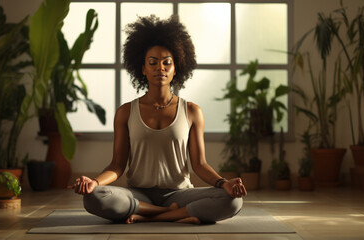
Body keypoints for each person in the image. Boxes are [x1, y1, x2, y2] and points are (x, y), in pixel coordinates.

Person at [71, 15, 247, 225]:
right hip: (138, 194)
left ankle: (150, 215)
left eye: (167, 63)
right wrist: (94, 182)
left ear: (176, 69)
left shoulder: (191, 111)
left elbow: (199, 164)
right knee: (93, 198)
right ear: (143, 68)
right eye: (152, 62)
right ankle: (174, 213)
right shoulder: (126, 112)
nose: (160, 67)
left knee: (233, 202)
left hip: (179, 194)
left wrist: (223, 183)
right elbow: (117, 165)